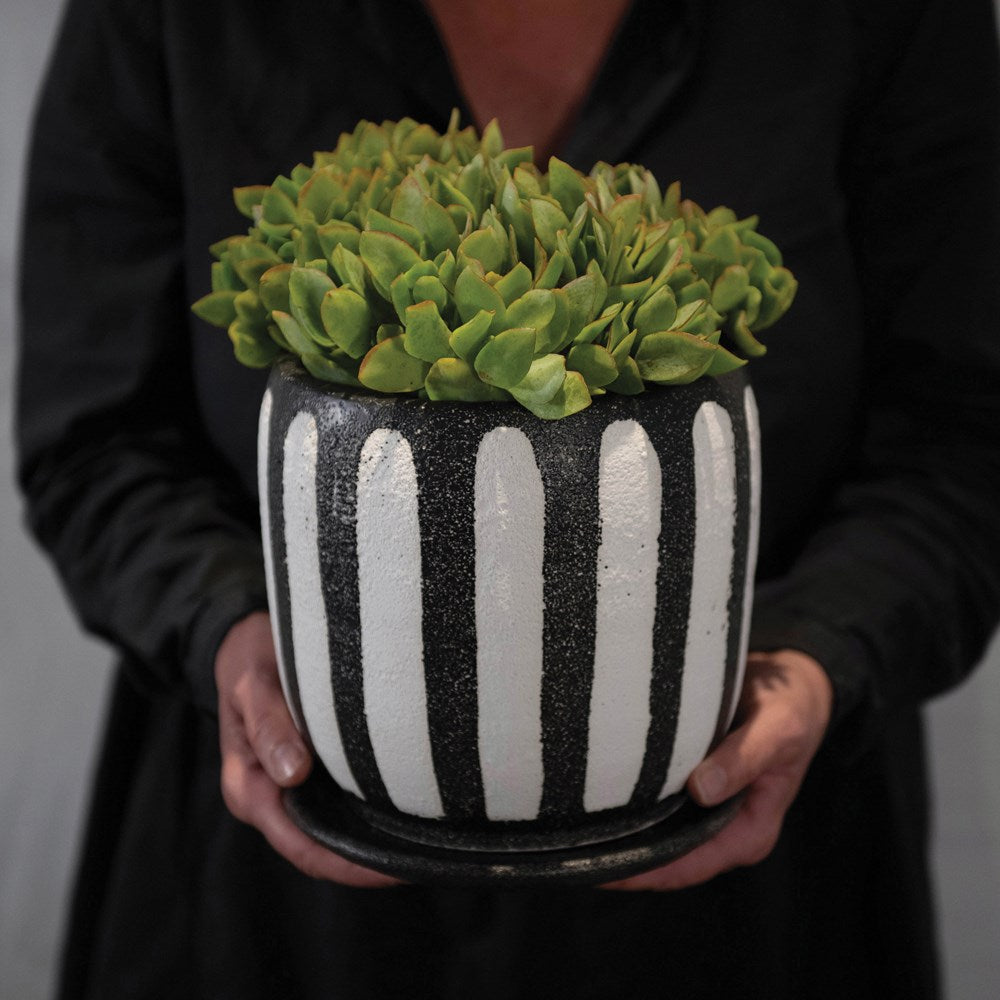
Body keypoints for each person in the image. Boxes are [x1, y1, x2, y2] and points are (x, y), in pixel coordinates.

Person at [17, 0, 1000, 997]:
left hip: (753, 880)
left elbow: (962, 438)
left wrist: (823, 656)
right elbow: (95, 436)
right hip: (278, 889)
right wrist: (222, 627)